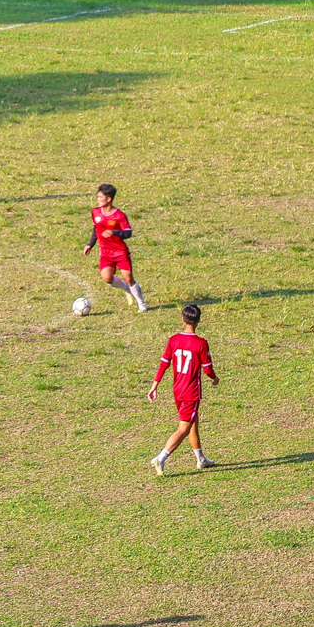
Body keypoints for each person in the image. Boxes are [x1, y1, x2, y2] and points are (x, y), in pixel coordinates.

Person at [147, 305, 219, 474]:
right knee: (184, 428)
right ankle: (161, 458)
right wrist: (215, 379)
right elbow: (207, 369)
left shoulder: (174, 340)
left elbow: (164, 363)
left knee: (193, 422)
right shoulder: (201, 343)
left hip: (177, 390)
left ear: (183, 319)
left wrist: (154, 386)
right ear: (198, 321)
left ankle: (201, 459)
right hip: (191, 393)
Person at [83, 183, 145, 311]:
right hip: (106, 253)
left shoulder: (119, 216)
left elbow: (128, 232)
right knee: (107, 277)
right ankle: (126, 290)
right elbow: (96, 229)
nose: (97, 199)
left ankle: (141, 303)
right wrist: (90, 244)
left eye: (100, 197)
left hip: (120, 252)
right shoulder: (95, 212)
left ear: (108, 199)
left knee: (128, 278)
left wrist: (114, 232)